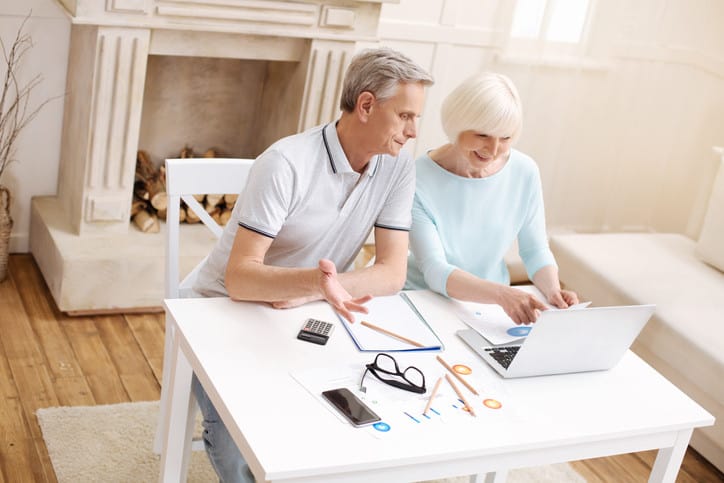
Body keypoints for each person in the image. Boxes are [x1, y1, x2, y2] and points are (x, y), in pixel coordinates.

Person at [190, 47, 433, 482]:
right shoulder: (285, 163)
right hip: (217, 309)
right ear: (365, 105)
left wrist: (314, 289)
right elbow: (241, 278)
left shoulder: (397, 168)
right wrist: (318, 286)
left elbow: (393, 274)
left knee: (342, 427)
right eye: (406, 116)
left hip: (302, 310)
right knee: (239, 450)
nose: (414, 131)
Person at [405, 72, 577, 324]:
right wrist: (502, 295)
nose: (493, 150)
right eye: (483, 135)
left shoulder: (524, 171)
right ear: (457, 124)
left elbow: (535, 249)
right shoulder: (417, 178)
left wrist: (552, 291)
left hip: (491, 308)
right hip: (425, 300)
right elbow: (435, 270)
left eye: (505, 137)